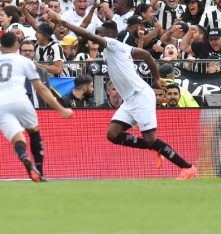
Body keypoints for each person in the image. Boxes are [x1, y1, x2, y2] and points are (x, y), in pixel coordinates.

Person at [47, 10, 197, 179]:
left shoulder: (112, 43)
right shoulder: (122, 48)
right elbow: (147, 55)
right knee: (113, 135)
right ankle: (154, 146)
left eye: (101, 31)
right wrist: (156, 78)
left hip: (140, 95)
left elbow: (87, 34)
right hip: (130, 100)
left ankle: (187, 167)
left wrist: (62, 21)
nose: (98, 34)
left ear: (109, 35)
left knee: (150, 138)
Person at [0, 32, 74, 182]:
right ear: (17, 46)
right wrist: (61, 109)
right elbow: (41, 89)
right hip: (20, 99)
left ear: (0, 46)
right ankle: (39, 170)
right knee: (34, 133)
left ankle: (24, 156)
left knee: (18, 139)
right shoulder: (24, 61)